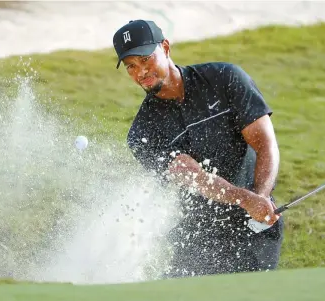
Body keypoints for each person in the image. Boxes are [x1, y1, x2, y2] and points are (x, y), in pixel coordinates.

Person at [112, 20, 284, 278]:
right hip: (199, 236)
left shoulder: (224, 78)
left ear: (166, 48)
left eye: (146, 59)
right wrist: (247, 200)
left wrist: (260, 197)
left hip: (257, 226)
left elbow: (265, 144)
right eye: (131, 67)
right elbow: (193, 177)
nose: (140, 72)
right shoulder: (142, 133)